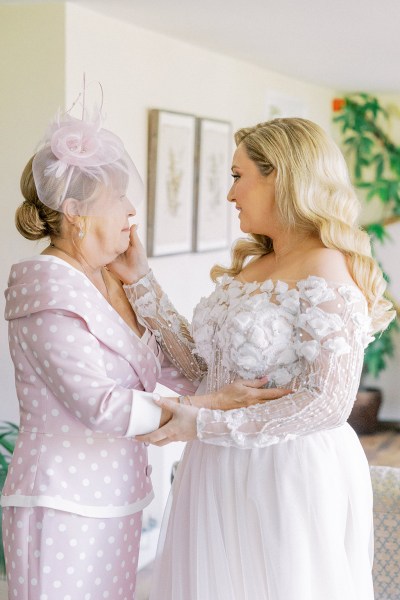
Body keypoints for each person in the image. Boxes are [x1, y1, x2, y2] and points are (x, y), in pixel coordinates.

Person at [2, 105, 286, 600]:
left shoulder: (110, 280)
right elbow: (101, 406)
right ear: (75, 210)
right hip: (63, 500)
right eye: (119, 197)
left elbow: (184, 372)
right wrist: (211, 407)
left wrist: (140, 283)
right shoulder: (46, 289)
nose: (132, 210)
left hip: (119, 496)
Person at [110, 117, 396, 600]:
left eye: (238, 176)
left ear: (281, 176)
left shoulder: (327, 266)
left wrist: (199, 426)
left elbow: (327, 402)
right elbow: (205, 374)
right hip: (217, 466)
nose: (230, 194)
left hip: (286, 472)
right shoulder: (256, 265)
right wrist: (140, 281)